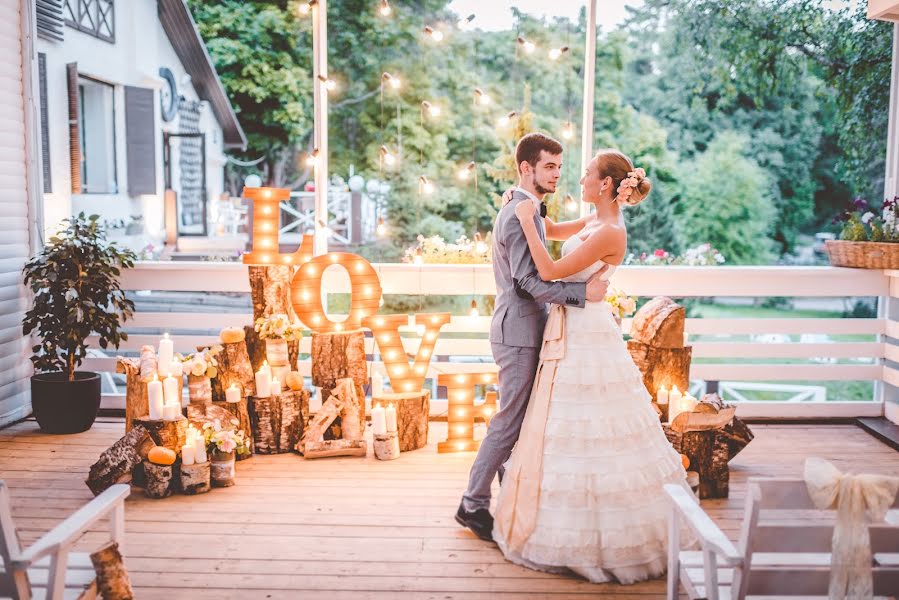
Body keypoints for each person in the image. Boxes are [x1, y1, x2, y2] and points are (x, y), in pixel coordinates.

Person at [492, 148, 696, 584]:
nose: (579, 180)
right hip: (571, 322)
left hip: (587, 332)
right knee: (562, 423)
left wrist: (526, 223)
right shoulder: (594, 221)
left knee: (593, 423)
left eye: (586, 174)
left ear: (605, 184)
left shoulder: (611, 233)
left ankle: (605, 538)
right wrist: (520, 197)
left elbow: (547, 270)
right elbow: (549, 225)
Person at [454, 133, 610, 541]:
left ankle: (512, 493)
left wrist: (599, 219)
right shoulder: (516, 213)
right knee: (508, 422)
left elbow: (551, 230)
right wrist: (582, 293)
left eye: (560, 166)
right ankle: (473, 504)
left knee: (521, 421)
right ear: (527, 169)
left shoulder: (527, 207)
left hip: (526, 329)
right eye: (550, 167)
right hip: (518, 331)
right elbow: (527, 282)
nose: (558, 174)